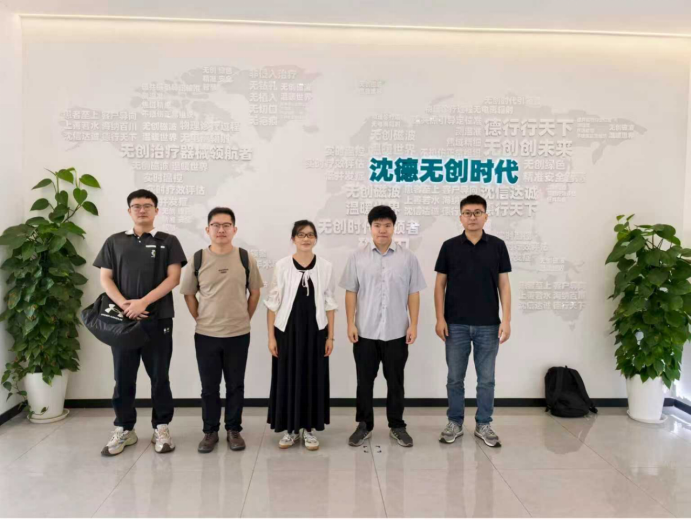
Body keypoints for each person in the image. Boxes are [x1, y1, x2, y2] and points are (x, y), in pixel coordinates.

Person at [96, 189, 187, 456]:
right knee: (123, 376)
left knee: (159, 377)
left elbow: (173, 279)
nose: (142, 210)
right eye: (136, 206)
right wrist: (126, 305)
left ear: (156, 211)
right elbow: (105, 278)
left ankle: (161, 427)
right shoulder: (114, 241)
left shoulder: (169, 241)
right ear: (129, 211)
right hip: (123, 322)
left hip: (158, 320)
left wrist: (143, 303)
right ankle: (125, 428)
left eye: (147, 206)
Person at [340, 205, 426, 448]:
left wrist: (413, 324)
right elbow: (351, 292)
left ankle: (397, 425)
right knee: (364, 382)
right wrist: (350, 323)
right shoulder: (357, 257)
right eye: (377, 225)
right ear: (370, 228)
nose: (382, 230)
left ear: (393, 227)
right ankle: (364, 425)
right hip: (365, 331)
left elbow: (413, 293)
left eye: (387, 225)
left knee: (395, 382)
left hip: (397, 331)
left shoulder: (408, 258)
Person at [180, 207, 263, 453]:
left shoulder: (245, 258)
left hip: (238, 334)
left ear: (234, 230)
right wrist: (200, 318)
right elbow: (188, 294)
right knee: (209, 387)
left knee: (235, 385)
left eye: (226, 225)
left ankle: (234, 430)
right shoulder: (197, 259)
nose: (221, 230)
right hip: (206, 335)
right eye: (216, 225)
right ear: (208, 229)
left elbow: (255, 292)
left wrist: (244, 317)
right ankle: (210, 432)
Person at [434, 195, 512, 447]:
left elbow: (504, 285)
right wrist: (440, 318)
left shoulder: (497, 246)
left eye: (478, 212)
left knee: (486, 379)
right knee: (454, 378)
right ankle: (455, 422)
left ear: (486, 216)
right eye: (467, 213)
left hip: (489, 324)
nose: (472, 217)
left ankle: (483, 424)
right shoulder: (449, 246)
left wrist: (506, 320)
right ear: (460, 217)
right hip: (454, 324)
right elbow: (439, 285)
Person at [264, 220, 337, 451]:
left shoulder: (325, 266)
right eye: (301, 234)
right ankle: (291, 430)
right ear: (293, 239)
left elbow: (329, 302)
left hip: (316, 331)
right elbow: (272, 303)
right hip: (287, 332)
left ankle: (309, 429)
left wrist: (330, 337)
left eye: (310, 235)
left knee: (313, 378)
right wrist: (271, 337)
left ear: (316, 239)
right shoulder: (283, 265)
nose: (306, 239)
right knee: (287, 377)